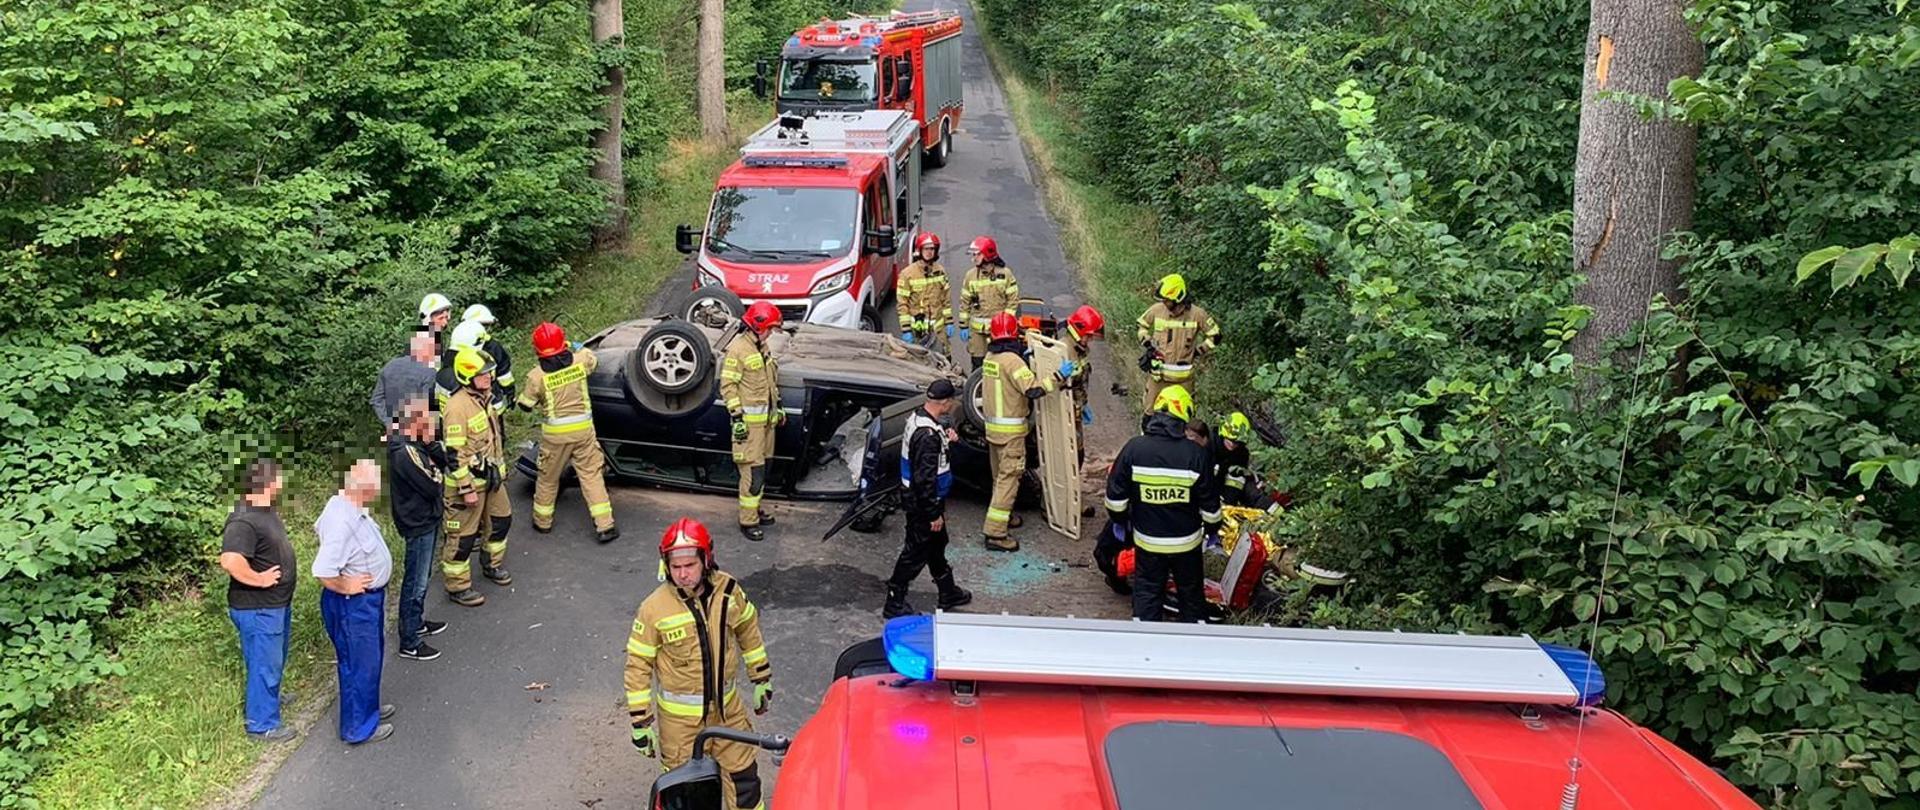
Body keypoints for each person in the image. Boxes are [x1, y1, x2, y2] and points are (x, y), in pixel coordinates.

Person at [625, 519, 774, 810]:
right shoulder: (653, 608)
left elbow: (748, 630)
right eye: (675, 566)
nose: (682, 574)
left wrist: (761, 678)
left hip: (728, 713)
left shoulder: (728, 590)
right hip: (680, 725)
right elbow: (638, 665)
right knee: (685, 794)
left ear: (706, 560)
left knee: (744, 781)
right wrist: (640, 723)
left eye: (689, 565)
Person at [1105, 385, 1221, 622]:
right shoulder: (1196, 455)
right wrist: (1212, 531)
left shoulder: (1133, 448)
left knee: (1147, 593)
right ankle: (1192, 646)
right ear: (1184, 416)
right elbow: (1210, 506)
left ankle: (1146, 648)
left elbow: (1115, 498)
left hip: (1148, 541)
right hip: (1186, 544)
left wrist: (1121, 522)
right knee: (1191, 596)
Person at [312, 459, 397, 745]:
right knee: (358, 663)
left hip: (365, 603)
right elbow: (323, 570)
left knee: (369, 660)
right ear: (362, 487)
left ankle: (368, 709)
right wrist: (344, 583)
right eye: (375, 485)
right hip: (353, 605)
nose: (378, 491)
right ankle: (359, 728)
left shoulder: (348, 506)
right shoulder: (342, 521)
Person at [518, 322, 618, 543]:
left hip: (555, 436)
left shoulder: (536, 376)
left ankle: (542, 522)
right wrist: (577, 346)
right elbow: (592, 357)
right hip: (583, 431)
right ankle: (605, 525)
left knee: (547, 478)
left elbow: (525, 404)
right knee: (591, 475)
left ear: (537, 350)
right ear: (562, 343)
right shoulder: (580, 361)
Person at [219, 458, 297, 742]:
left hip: (274, 605)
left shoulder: (263, 509)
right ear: (269, 482)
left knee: (271, 660)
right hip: (258, 607)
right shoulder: (244, 520)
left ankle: (269, 698)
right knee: (264, 662)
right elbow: (230, 560)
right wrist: (260, 579)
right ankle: (262, 724)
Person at [882, 379, 973, 618]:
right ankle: (894, 601)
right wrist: (933, 513)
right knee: (914, 552)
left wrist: (946, 438)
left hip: (923, 499)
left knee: (936, 545)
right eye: (951, 401)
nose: (953, 405)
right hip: (924, 503)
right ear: (944, 403)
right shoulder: (927, 435)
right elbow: (924, 479)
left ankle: (948, 591)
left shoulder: (920, 420)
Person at [979, 312, 1066, 551]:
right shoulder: (1013, 362)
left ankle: (1004, 518)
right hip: (1011, 434)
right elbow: (1033, 390)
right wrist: (1059, 376)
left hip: (993, 431)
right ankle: (995, 533)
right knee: (1009, 481)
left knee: (1000, 479)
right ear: (1014, 333)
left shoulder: (990, 357)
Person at [441, 347, 513, 607]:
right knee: (462, 538)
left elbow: (493, 441)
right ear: (467, 376)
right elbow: (454, 455)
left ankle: (491, 564)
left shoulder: (485, 398)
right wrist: (466, 489)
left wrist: (501, 472)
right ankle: (457, 586)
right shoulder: (457, 408)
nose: (490, 377)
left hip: (491, 480)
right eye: (484, 374)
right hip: (468, 485)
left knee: (501, 520)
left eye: (490, 373)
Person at [388, 396, 450, 661]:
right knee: (416, 580)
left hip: (427, 516)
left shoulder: (418, 444)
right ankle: (410, 640)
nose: (431, 423)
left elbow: (443, 462)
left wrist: (432, 446)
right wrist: (438, 475)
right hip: (417, 521)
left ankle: (419, 622)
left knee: (421, 578)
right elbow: (432, 484)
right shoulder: (404, 452)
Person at [722, 302, 784, 541]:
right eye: (770, 328)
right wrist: (737, 416)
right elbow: (727, 386)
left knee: (764, 469)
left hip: (766, 424)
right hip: (749, 427)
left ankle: (755, 508)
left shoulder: (761, 346)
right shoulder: (738, 350)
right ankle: (748, 521)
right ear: (758, 327)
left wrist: (777, 408)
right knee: (753, 474)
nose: (772, 332)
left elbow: (769, 382)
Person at [1135, 273, 1220, 410]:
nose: (1164, 302)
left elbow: (1215, 335)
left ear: (1178, 298)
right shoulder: (1157, 310)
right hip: (1158, 378)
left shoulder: (1197, 314)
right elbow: (1141, 325)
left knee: (1183, 419)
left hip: (1183, 381)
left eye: (1167, 300)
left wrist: (1199, 351)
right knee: (1149, 416)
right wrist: (1146, 341)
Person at [960, 236, 1019, 369]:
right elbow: (965, 302)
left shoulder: (1005, 274)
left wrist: (1006, 324)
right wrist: (963, 326)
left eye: (977, 254)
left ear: (987, 254)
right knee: (978, 364)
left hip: (999, 332)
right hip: (977, 332)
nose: (974, 258)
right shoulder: (970, 276)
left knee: (999, 364)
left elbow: (1013, 301)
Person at [370, 331, 438, 437]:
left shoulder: (389, 366)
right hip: (417, 434)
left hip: (393, 435)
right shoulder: (429, 372)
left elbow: (376, 400)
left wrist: (390, 423)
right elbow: (425, 405)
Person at [896, 232, 954, 355]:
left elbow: (946, 300)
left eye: (932, 249)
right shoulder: (907, 274)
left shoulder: (940, 271)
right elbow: (902, 304)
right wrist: (906, 330)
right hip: (917, 333)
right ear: (920, 250)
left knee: (944, 362)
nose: (929, 252)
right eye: (926, 249)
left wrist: (949, 322)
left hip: (938, 332)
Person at [1061, 305, 1105, 455]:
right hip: (1064, 413)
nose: (1091, 339)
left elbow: (1079, 382)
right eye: (1089, 335)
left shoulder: (1080, 350)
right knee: (1069, 455)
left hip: (1075, 411)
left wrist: (1083, 404)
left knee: (1078, 452)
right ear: (1079, 331)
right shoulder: (1063, 351)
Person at [461, 304, 515, 414]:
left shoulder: (493, 347)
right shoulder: (460, 348)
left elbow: (504, 374)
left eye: (487, 326)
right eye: (483, 326)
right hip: (471, 404)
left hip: (492, 402)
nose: (485, 330)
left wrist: (509, 391)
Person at [1214, 411, 1254, 507]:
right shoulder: (1210, 444)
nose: (1232, 444)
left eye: (1236, 442)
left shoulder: (1242, 454)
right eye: (1230, 440)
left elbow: (1235, 481)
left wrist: (1228, 504)